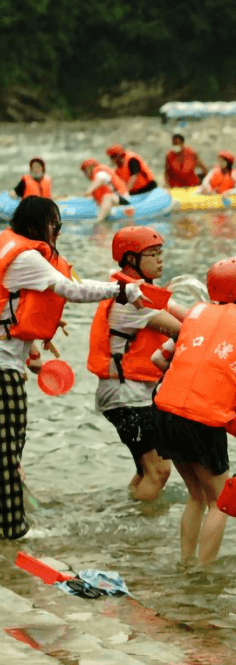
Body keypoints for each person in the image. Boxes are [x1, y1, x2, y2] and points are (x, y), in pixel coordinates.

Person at [0, 196, 141, 539]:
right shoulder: (28, 257)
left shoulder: (8, 246)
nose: (57, 233)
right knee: (8, 452)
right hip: (2, 373)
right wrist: (120, 290)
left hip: (9, 361)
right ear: (39, 225)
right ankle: (13, 530)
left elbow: (12, 310)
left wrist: (28, 348)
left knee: (8, 450)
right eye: (55, 225)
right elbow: (70, 288)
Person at [153, 256, 236, 566]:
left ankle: (185, 563)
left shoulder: (195, 315)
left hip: (166, 413)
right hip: (202, 419)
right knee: (220, 501)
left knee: (197, 496)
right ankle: (203, 575)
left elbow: (158, 358)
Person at [87, 227, 190, 501]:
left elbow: (190, 316)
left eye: (161, 253)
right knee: (159, 471)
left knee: (146, 470)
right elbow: (183, 330)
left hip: (130, 393)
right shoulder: (129, 300)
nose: (160, 260)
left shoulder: (144, 292)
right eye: (152, 254)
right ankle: (141, 531)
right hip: (126, 394)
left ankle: (131, 511)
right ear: (131, 259)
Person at [80, 158, 129, 223]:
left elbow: (101, 178)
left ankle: (98, 221)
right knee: (105, 197)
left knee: (107, 197)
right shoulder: (97, 174)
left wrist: (89, 191)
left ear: (90, 168)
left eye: (85, 171)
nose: (85, 175)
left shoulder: (100, 172)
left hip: (123, 199)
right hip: (116, 199)